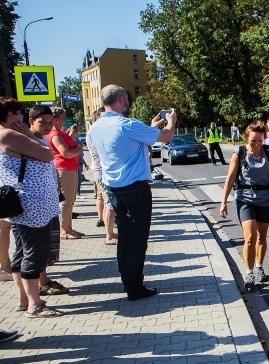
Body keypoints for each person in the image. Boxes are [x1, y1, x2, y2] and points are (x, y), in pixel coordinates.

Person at [87, 85, 176, 301]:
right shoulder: (127, 124)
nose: (127, 103)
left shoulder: (95, 128)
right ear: (120, 99)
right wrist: (171, 120)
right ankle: (134, 286)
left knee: (125, 236)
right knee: (138, 238)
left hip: (113, 188)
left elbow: (122, 145)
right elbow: (165, 137)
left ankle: (126, 277)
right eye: (126, 99)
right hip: (136, 189)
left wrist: (150, 127)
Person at [0, 98, 62, 317]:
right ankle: (35, 304)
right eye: (19, 114)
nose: (22, 118)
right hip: (32, 205)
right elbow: (48, 154)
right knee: (36, 253)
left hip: (26, 203)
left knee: (22, 252)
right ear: (10, 116)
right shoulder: (10, 135)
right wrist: (27, 134)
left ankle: (24, 299)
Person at [219, 121, 269, 291]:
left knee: (262, 236)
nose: (257, 144)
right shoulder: (239, 153)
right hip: (245, 199)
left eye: (260, 141)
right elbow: (229, 179)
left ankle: (259, 267)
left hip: (265, 199)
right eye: (253, 141)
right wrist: (223, 202)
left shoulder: (268, 152)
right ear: (246, 139)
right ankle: (249, 273)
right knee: (250, 237)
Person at [28, 105, 70, 296]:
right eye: (42, 122)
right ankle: (36, 290)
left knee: (47, 245)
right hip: (35, 204)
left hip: (48, 199)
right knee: (35, 249)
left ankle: (43, 281)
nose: (47, 126)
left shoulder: (41, 139)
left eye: (49, 122)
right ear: (31, 122)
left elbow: (49, 165)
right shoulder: (27, 141)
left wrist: (57, 181)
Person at [47, 107, 83, 239]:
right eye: (63, 117)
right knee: (66, 201)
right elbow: (66, 153)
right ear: (55, 119)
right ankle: (64, 230)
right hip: (63, 169)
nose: (65, 120)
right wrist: (79, 149)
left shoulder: (60, 132)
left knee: (70, 200)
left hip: (69, 168)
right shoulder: (55, 134)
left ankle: (69, 228)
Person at [86, 110, 117, 244]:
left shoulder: (92, 131)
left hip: (100, 170)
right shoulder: (95, 132)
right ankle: (109, 235)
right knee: (110, 204)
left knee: (106, 202)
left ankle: (109, 233)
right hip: (102, 171)